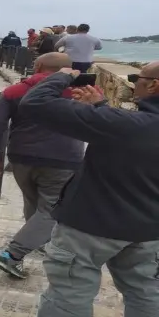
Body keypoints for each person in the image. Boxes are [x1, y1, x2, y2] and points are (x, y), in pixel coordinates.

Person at [18, 64, 159, 316]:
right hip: (149, 232)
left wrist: (62, 76)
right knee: (146, 292)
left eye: (137, 78)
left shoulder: (129, 125)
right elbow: (134, 141)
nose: (133, 83)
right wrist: (101, 109)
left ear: (153, 85)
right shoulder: (128, 126)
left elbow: (35, 103)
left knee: (69, 294)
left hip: (90, 227)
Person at [0, 53, 85, 279]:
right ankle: (12, 254)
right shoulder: (79, 93)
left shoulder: (14, 91)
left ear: (37, 66)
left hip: (21, 157)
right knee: (51, 210)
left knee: (34, 203)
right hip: (63, 160)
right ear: (70, 70)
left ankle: (36, 239)